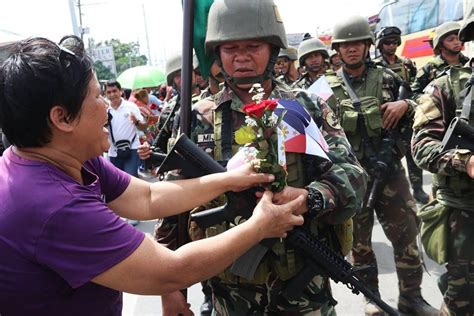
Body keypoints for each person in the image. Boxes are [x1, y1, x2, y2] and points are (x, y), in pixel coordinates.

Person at [0, 36, 306, 316]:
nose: (107, 107)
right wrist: (260, 226)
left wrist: (228, 178)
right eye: (96, 97)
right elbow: (170, 271)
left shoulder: (66, 159)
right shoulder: (53, 206)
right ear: (62, 118)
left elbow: (147, 197)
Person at [141, 0, 367, 314]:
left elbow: (353, 175)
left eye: (253, 46)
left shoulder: (302, 107)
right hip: (231, 293)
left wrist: (309, 197)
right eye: (231, 47)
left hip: (303, 286)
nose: (242, 57)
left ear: (273, 49)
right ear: (217, 53)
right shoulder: (198, 118)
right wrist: (170, 289)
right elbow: (173, 208)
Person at [327, 16, 438, 315]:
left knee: (406, 235)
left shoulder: (389, 78)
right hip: (351, 178)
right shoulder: (325, 88)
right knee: (359, 244)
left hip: (389, 171)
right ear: (337, 50)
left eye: (356, 44)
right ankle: (371, 298)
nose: (351, 50)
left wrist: (407, 105)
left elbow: (421, 111)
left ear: (366, 46)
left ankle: (411, 298)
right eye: (345, 45)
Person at [412, 15, 474, 316]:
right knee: (462, 300)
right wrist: (465, 161)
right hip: (465, 215)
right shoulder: (444, 88)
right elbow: (422, 146)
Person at [374, 26, 430, 204]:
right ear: (380, 45)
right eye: (387, 42)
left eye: (394, 42)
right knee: (391, 157)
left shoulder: (407, 64)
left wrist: (408, 104)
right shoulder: (376, 66)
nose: (391, 46)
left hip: (408, 116)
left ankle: (418, 189)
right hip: (387, 119)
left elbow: (415, 88)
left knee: (414, 154)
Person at [411, 21, 469, 99]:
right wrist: (433, 99)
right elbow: (413, 94)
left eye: (458, 38)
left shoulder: (468, 63)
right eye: (450, 40)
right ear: (440, 45)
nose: (456, 42)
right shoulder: (429, 69)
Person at [105, 80, 145, 177]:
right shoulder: (105, 110)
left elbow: (143, 127)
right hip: (114, 151)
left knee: (130, 178)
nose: (112, 94)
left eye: (114, 91)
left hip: (132, 149)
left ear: (120, 91)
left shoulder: (131, 106)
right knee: (117, 181)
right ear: (105, 94)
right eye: (109, 92)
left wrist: (136, 121)